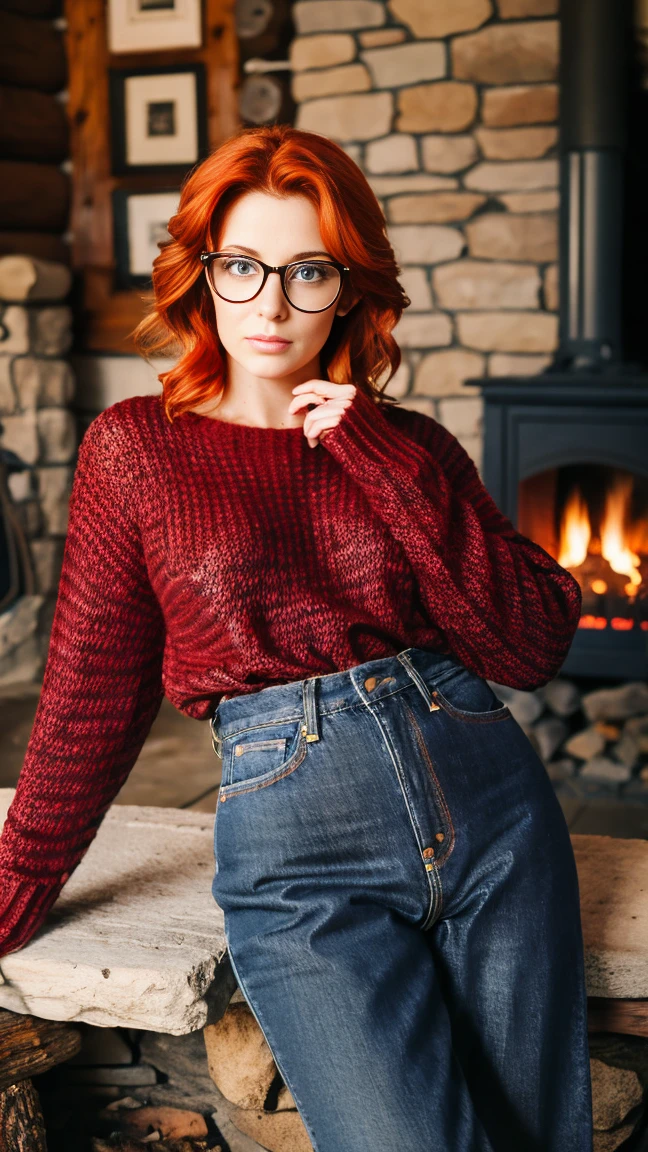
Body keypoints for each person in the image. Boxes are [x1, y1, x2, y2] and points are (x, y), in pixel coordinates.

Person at [0, 125, 592, 1150]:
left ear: (351, 285)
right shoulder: (136, 449)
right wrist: (16, 884)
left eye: (309, 270)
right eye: (243, 266)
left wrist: (375, 453)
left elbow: (530, 643)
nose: (272, 304)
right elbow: (93, 694)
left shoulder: (410, 447)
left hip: (491, 804)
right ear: (203, 274)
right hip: (299, 844)